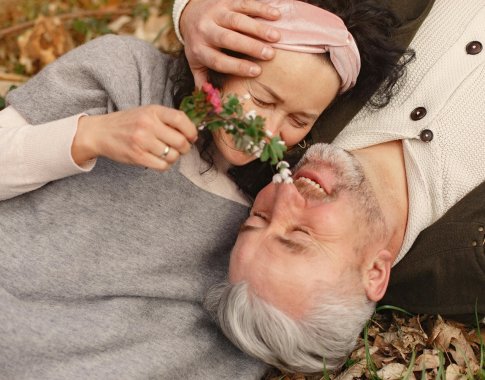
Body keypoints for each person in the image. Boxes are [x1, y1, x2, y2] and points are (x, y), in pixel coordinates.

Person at [0, 1, 409, 378]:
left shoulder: (273, 204)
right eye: (261, 98)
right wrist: (91, 137)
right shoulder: (127, 76)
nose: (267, 131)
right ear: (218, 63)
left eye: (298, 120)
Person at [198, 0, 485, 374]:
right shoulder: (469, 267)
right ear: (375, 274)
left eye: (258, 217)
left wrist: (194, 12)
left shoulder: (286, 116)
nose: (284, 193)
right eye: (299, 234)